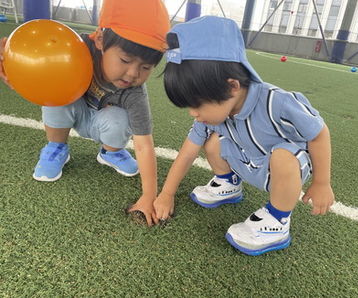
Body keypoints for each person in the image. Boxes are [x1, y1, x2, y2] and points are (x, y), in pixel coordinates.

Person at [153, 16, 334, 255]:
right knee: (212, 140)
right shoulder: (213, 115)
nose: (193, 113)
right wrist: (166, 194)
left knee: (282, 156)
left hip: (281, 171)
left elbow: (319, 133)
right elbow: (187, 153)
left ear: (232, 86)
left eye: (197, 104)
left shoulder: (277, 102)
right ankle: (228, 184)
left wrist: (322, 183)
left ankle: (278, 221)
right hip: (246, 161)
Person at [0, 0, 170, 226]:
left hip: (102, 122)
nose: (133, 73)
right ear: (100, 39)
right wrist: (15, 65)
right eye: (125, 60)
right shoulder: (73, 48)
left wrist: (149, 195)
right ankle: (57, 147)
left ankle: (110, 152)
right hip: (72, 111)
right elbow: (35, 62)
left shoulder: (135, 93)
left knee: (121, 119)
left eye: (146, 67)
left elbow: (144, 143)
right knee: (55, 90)